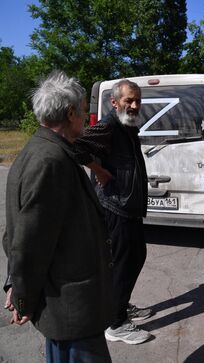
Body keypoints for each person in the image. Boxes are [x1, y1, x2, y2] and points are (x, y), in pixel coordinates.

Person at [2, 71, 114, 362]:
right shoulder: (50, 161)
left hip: (68, 310)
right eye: (84, 112)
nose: (87, 119)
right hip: (70, 309)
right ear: (70, 113)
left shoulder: (42, 150)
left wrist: (15, 283)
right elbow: (27, 241)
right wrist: (22, 297)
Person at [74, 79, 152, 345]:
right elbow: (76, 146)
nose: (133, 105)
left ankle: (119, 305)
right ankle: (115, 323)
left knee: (135, 257)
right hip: (115, 206)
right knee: (124, 261)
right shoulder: (108, 125)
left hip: (128, 206)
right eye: (129, 100)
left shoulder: (127, 125)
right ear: (114, 101)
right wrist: (99, 171)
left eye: (137, 100)